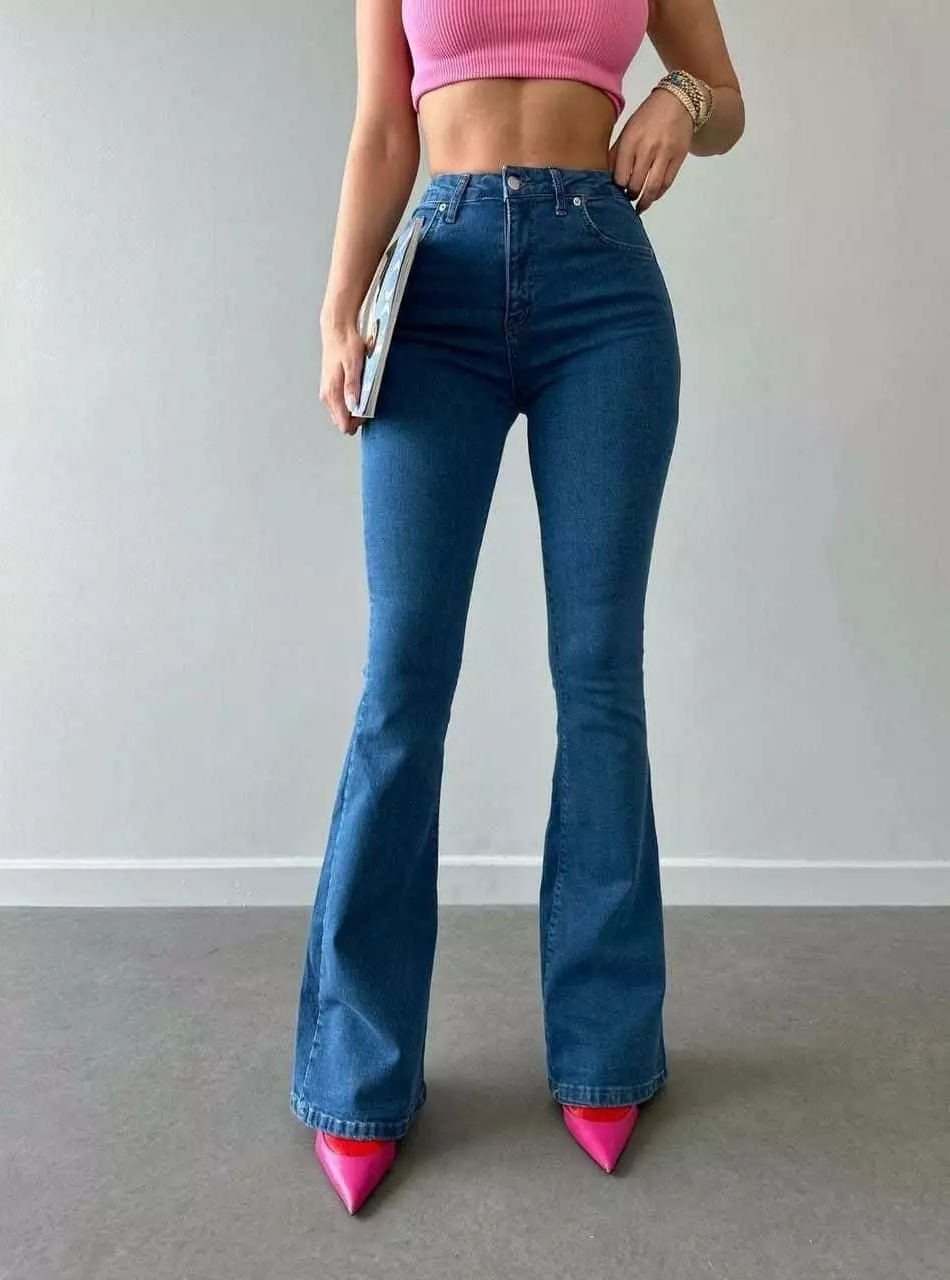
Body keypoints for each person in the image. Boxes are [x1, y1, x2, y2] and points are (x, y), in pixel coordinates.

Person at [291, 0, 744, 1213]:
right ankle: (356, 1070)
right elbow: (385, 127)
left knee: (599, 673)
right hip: (433, 282)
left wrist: (681, 100)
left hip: (603, 290)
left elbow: (726, 97)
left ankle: (606, 1048)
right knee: (403, 680)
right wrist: (339, 308)